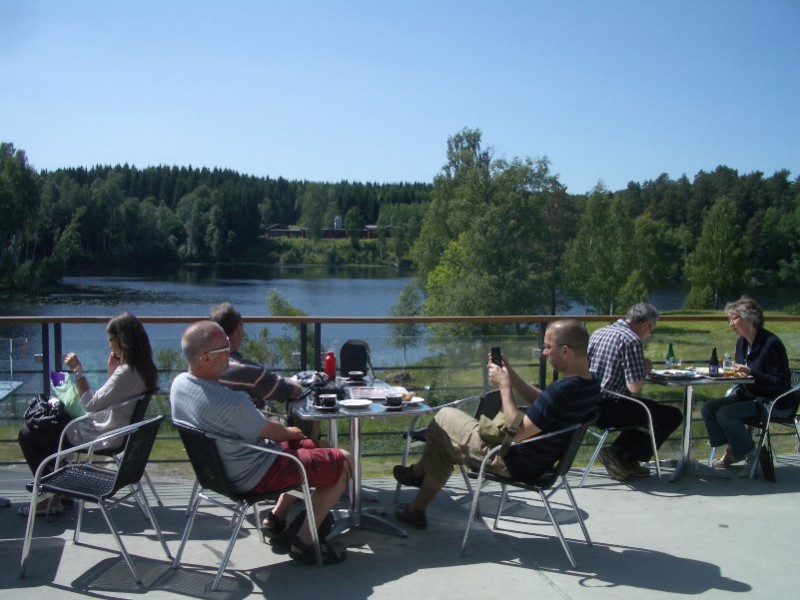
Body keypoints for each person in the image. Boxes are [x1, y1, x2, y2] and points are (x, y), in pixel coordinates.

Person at [170, 320, 352, 564]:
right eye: (224, 349)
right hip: (254, 475)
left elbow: (257, 430)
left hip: (224, 472)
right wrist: (291, 432)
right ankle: (305, 543)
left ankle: (275, 519)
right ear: (205, 358)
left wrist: (290, 437)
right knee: (343, 462)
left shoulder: (179, 385)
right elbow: (272, 432)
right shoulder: (228, 402)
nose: (230, 353)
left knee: (318, 449)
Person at [392, 319, 599, 529]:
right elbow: (543, 403)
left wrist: (504, 386)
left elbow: (517, 432)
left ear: (565, 351)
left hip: (508, 460)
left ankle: (418, 473)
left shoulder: (562, 391)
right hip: (538, 464)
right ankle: (415, 509)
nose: (544, 353)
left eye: (547, 347)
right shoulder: (590, 385)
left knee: (443, 416)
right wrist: (511, 374)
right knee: (445, 445)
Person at [18, 312, 158, 516]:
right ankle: (58, 491)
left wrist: (77, 371)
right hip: (115, 429)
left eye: (111, 339)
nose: (109, 345)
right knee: (48, 429)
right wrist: (112, 369)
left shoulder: (126, 372)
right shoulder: (144, 369)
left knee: (30, 435)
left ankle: (49, 497)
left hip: (104, 435)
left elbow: (92, 405)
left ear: (122, 341)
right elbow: (111, 400)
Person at [588, 302, 683, 482]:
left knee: (648, 413)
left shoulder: (599, 332)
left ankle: (619, 453)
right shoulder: (631, 340)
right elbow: (635, 386)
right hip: (613, 408)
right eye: (651, 331)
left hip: (591, 404)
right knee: (672, 416)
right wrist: (645, 367)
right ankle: (625, 457)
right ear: (645, 325)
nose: (649, 335)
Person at [701, 296, 790, 473]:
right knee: (708, 409)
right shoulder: (742, 343)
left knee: (725, 414)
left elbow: (781, 382)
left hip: (769, 400)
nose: (730, 324)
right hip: (746, 395)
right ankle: (736, 449)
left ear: (749, 319)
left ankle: (752, 454)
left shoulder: (771, 344)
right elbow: (743, 373)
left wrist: (751, 373)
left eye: (734, 318)